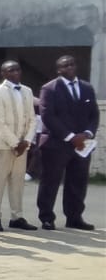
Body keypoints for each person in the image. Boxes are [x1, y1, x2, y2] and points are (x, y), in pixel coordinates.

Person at [37, 55, 98, 231]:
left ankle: (74, 217)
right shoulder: (49, 89)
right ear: (58, 70)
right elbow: (48, 116)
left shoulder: (87, 88)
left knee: (78, 182)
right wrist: (70, 136)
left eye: (72, 64)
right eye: (65, 65)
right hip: (56, 143)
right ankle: (47, 218)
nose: (69, 67)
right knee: (50, 182)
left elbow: (94, 114)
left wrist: (87, 133)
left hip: (81, 145)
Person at [0, 61, 38, 232]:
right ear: (3, 73)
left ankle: (17, 216)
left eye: (17, 69)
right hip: (3, 144)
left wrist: (26, 141)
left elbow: (32, 119)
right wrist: (16, 143)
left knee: (18, 182)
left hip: (23, 145)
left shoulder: (27, 91)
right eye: (10, 70)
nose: (15, 72)